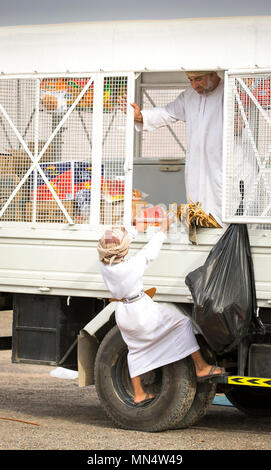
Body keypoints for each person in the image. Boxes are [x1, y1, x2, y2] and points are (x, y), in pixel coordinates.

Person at [97, 218, 227, 407]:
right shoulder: (132, 266)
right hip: (141, 310)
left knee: (135, 350)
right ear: (123, 249)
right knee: (182, 324)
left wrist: (134, 228)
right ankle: (200, 366)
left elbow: (115, 245)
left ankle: (139, 393)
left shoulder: (104, 264)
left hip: (123, 313)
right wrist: (163, 227)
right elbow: (151, 249)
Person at [132, 71, 224, 226]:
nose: (194, 85)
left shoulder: (228, 92)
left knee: (221, 207)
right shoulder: (189, 95)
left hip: (221, 166)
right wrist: (141, 117)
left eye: (198, 79)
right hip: (197, 166)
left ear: (213, 74)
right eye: (191, 80)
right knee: (198, 207)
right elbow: (168, 112)